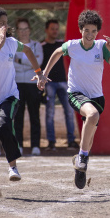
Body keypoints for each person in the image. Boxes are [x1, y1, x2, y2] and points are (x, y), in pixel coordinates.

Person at [40, 10, 110, 189]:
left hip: (97, 97)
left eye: (94, 31)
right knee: (92, 115)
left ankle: (80, 164)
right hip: (76, 93)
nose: (90, 34)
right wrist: (44, 74)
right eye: (86, 30)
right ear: (80, 30)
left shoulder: (101, 46)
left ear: (98, 31)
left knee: (88, 138)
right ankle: (83, 157)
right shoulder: (73, 46)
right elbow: (56, 52)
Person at [0, 7, 46, 181]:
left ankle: (13, 167)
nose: (5, 27)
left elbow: (28, 51)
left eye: (6, 23)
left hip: (9, 96)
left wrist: (39, 73)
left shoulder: (12, 42)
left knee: (3, 126)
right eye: (1, 23)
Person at [41, 19, 78, 150]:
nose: (55, 31)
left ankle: (71, 141)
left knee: (69, 111)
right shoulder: (41, 46)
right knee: (50, 112)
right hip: (49, 83)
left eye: (57, 29)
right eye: (52, 29)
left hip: (64, 82)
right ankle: (51, 142)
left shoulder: (62, 44)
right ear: (46, 30)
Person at [12, 18, 44, 156]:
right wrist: (29, 62)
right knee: (18, 116)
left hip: (33, 84)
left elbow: (38, 62)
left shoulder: (37, 45)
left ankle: (35, 145)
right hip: (17, 83)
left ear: (30, 30)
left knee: (34, 115)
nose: (23, 32)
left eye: (26, 29)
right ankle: (18, 145)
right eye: (21, 29)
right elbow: (12, 64)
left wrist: (19, 60)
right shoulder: (12, 45)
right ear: (17, 31)